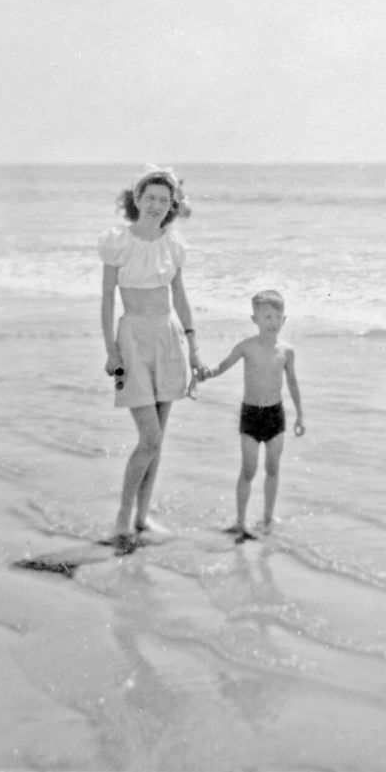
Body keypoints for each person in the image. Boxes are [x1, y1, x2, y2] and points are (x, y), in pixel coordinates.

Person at [99, 164, 207, 551]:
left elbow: (180, 296)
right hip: (132, 339)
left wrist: (193, 347)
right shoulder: (117, 242)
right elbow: (107, 299)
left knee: (157, 441)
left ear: (172, 204)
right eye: (150, 198)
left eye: (165, 200)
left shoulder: (174, 245)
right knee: (149, 437)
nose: (157, 205)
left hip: (168, 338)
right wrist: (110, 350)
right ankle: (121, 520)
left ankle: (142, 518)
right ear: (137, 199)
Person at [197, 289, 305, 541]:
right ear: (254, 319)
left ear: (284, 320)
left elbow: (293, 383)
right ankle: (240, 521)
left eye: (277, 317)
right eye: (266, 317)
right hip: (250, 415)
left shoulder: (287, 351)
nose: (272, 322)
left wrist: (300, 415)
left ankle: (267, 520)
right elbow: (222, 366)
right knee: (248, 470)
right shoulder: (246, 347)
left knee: (273, 468)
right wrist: (205, 374)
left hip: (275, 416)